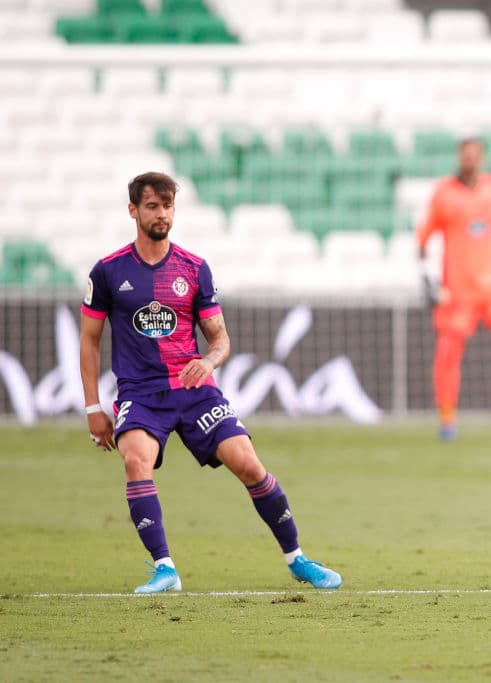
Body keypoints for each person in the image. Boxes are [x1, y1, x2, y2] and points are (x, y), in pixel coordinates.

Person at [79, 171, 342, 594]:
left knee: (249, 463)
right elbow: (89, 341)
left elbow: (220, 339)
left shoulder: (193, 268)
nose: (161, 214)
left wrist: (209, 360)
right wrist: (93, 408)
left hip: (194, 390)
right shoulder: (109, 272)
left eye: (167, 206)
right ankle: (165, 568)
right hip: (141, 393)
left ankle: (298, 559)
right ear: (133, 211)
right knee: (135, 461)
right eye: (152, 206)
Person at [416, 137, 491, 442]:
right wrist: (427, 280)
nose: (469, 159)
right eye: (465, 154)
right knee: (448, 354)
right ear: (459, 157)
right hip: (458, 290)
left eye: (474, 154)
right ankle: (447, 420)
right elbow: (423, 239)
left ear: (481, 157)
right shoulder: (444, 193)